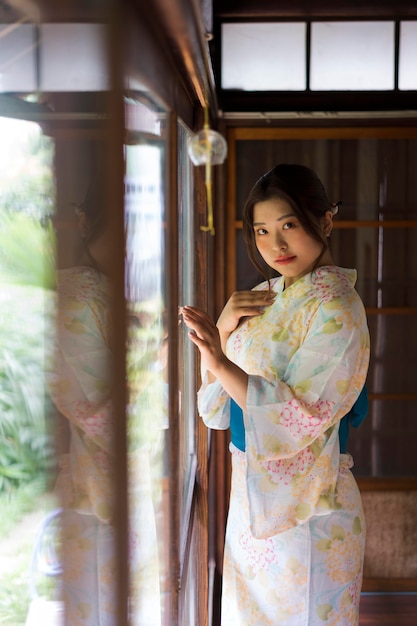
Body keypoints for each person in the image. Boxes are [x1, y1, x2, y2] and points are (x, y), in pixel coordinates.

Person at [181, 163, 370, 626]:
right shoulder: (261, 297)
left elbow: (302, 414)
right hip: (251, 496)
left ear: (325, 219)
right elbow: (217, 411)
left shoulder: (338, 305)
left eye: (289, 224)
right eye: (262, 230)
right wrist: (223, 331)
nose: (276, 245)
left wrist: (221, 359)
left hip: (312, 503)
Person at [48, 180, 161, 626]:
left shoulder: (106, 292)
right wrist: (157, 358)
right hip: (98, 488)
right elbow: (102, 415)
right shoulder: (78, 299)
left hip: (123, 483)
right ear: (84, 223)